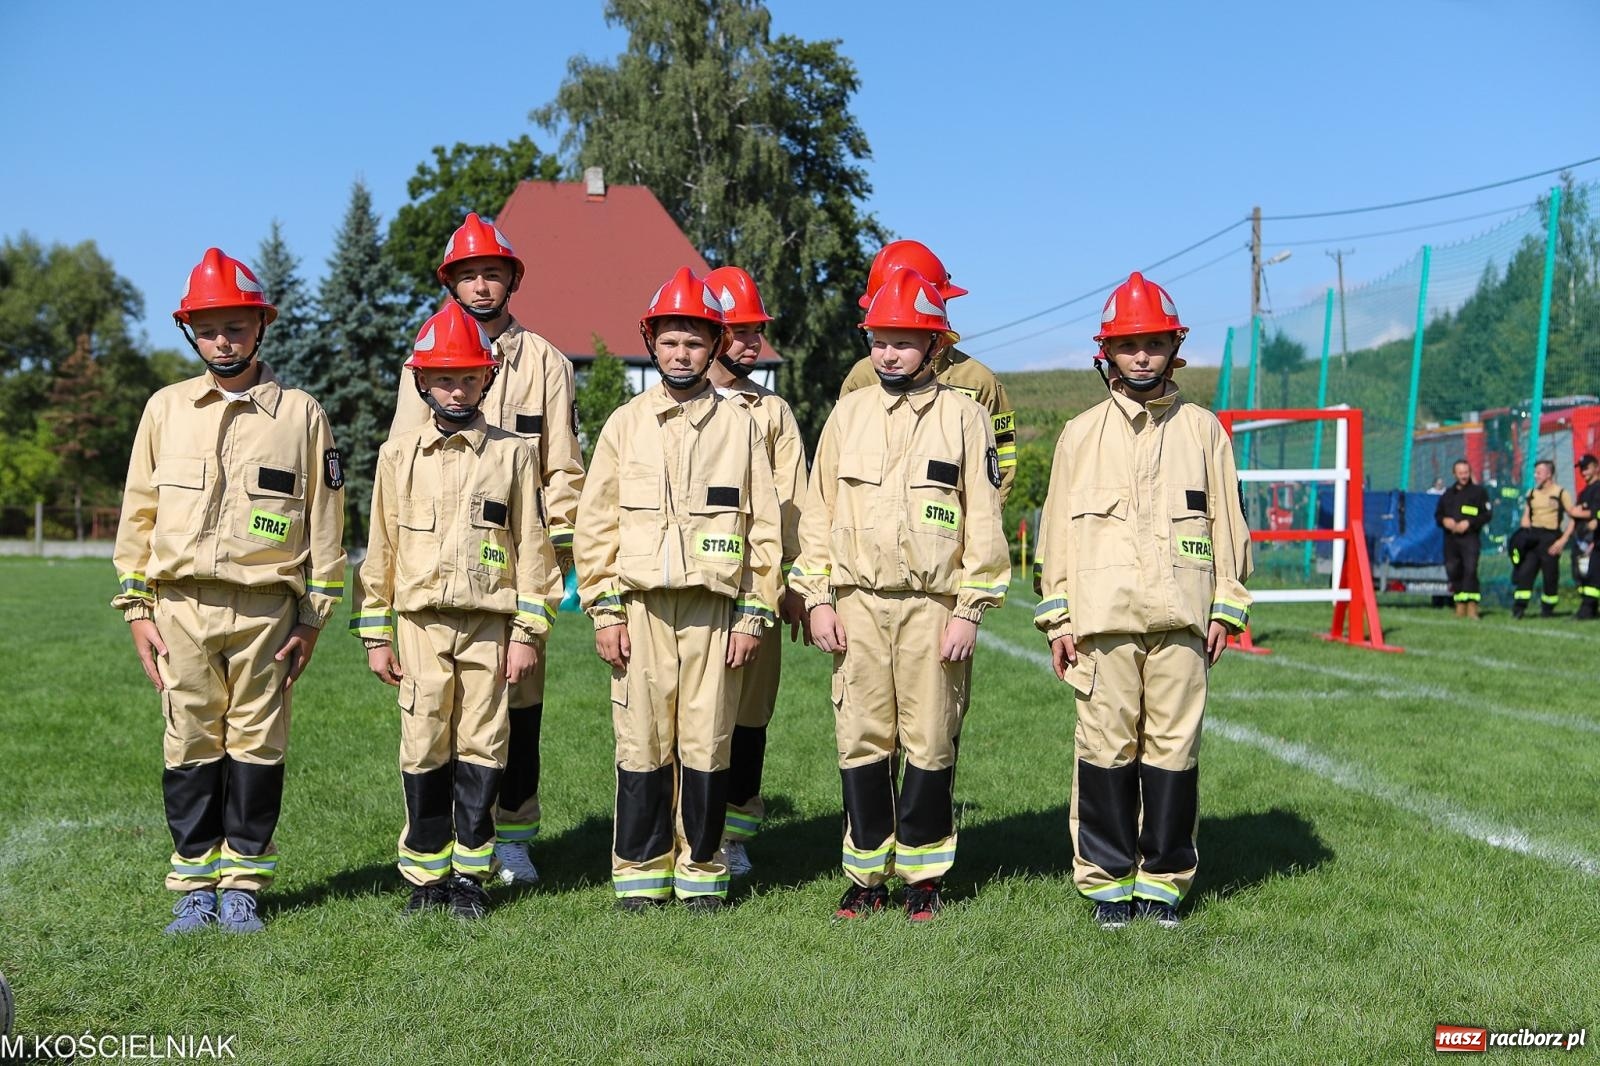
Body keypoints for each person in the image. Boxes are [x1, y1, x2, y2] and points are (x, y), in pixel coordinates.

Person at [112, 248, 347, 934]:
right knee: (188, 742)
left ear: (261, 328)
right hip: (178, 608)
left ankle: (242, 882)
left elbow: (327, 525)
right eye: (209, 328)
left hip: (266, 613)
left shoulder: (300, 415)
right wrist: (136, 610)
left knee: (257, 744)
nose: (224, 340)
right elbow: (138, 515)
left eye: (237, 327)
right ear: (191, 331)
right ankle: (193, 884)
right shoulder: (165, 410)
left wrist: (312, 619)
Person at [1032, 272, 1252, 930]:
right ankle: (1106, 885)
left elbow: (1228, 526)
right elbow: (1056, 535)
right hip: (1102, 626)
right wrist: (1058, 618)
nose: (1142, 357)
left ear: (1174, 349)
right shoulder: (1079, 434)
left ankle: (1162, 881)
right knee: (1104, 753)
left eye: (1154, 343)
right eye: (1129, 346)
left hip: (1183, 621)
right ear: (1108, 354)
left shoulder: (1205, 431)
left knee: (1172, 754)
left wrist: (1226, 605)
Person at [791, 269, 1009, 922]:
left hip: (934, 608)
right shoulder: (848, 414)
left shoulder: (967, 419)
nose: (889, 353)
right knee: (860, 739)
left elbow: (985, 522)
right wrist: (818, 598)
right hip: (856, 602)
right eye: (880, 341)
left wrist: (970, 609)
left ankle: (924, 878)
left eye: (905, 342)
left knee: (930, 742)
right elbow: (817, 510)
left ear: (935, 345)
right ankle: (864, 877)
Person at [575, 268, 782, 911]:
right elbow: (596, 525)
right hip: (638, 609)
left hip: (713, 610)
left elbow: (765, 530)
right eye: (670, 341)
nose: (682, 352)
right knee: (640, 742)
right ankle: (640, 877)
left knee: (708, 740)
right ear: (651, 343)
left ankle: (702, 873)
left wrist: (752, 616)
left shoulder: (741, 427)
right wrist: (604, 611)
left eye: (695, 340)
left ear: (714, 346)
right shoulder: (624, 425)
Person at [389, 213, 585, 886]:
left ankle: (514, 835)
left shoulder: (548, 365)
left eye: (491, 273)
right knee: (437, 716)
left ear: (511, 280)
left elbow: (563, 468)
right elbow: (403, 462)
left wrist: (561, 563)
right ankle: (438, 840)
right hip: (441, 575)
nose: (479, 286)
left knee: (517, 706)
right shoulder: (424, 355)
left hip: (518, 572)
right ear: (451, 281)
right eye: (467, 275)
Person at [354, 303, 561, 919]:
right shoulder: (398, 456)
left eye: (469, 377)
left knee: (484, 741)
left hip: (489, 626)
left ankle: (471, 873)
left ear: (487, 379)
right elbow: (381, 548)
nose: (456, 389)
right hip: (419, 625)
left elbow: (534, 554)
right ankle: (425, 874)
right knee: (423, 741)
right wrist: (375, 632)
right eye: (443, 378)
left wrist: (528, 632)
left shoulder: (514, 455)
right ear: (421, 382)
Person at [701, 265, 809, 878]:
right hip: (688, 586)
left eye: (755, 333)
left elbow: (794, 504)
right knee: (685, 712)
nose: (750, 345)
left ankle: (735, 834)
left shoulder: (773, 412)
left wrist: (793, 582)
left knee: (748, 715)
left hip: (756, 588)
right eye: (738, 333)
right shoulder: (671, 403)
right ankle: (684, 826)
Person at [836, 240, 1017, 506]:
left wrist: (977, 529)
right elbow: (836, 463)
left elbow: (1001, 466)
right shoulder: (862, 377)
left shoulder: (979, 382)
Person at [1509, 459, 1576, 618]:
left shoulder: (1561, 493)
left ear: (1549, 474)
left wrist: (1563, 540)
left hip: (1551, 538)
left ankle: (1548, 610)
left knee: (1550, 576)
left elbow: (1573, 517)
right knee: (1526, 573)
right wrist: (1525, 523)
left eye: (1539, 472)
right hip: (1533, 538)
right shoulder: (1531, 493)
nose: (1536, 475)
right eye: (1535, 472)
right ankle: (1519, 608)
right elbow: (1526, 514)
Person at [1434, 459, 1492, 619]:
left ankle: (1472, 606)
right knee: (1453, 570)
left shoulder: (1478, 492)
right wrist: (1445, 521)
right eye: (1460, 473)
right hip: (1451, 540)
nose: (1463, 476)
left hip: (1470, 538)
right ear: (1454, 474)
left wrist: (1469, 523)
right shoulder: (1447, 494)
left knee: (1470, 569)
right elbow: (1438, 515)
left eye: (1466, 473)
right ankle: (1459, 604)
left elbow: (1487, 514)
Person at [1570, 454, 1599, 620]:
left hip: (1593, 540)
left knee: (1593, 575)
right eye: (1581, 469)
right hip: (1582, 539)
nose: (1583, 472)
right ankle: (1589, 608)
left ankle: (1587, 610)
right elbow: (1575, 516)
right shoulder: (1584, 492)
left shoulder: (1598, 488)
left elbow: (1596, 511)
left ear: (1596, 467)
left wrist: (1592, 517)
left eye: (1586, 468)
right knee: (1582, 575)